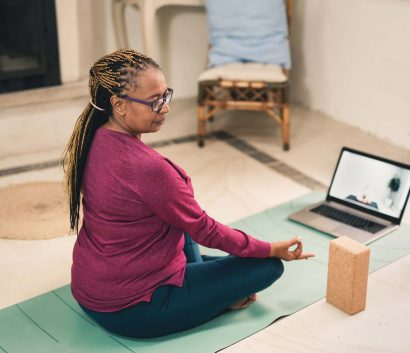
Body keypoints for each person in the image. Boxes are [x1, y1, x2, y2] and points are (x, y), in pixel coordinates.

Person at [62, 49, 314, 339]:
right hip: (133, 309)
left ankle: (203, 285)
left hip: (89, 288)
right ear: (118, 105)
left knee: (182, 225)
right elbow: (206, 229)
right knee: (266, 267)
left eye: (165, 95)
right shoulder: (149, 169)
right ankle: (217, 299)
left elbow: (188, 225)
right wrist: (271, 249)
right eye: (156, 102)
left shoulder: (91, 138)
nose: (166, 108)